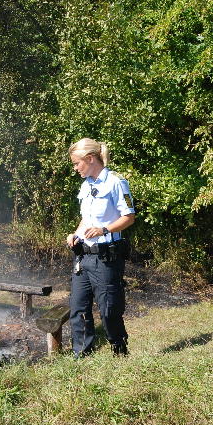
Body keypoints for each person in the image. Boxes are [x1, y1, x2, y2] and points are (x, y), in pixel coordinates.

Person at [66, 138, 136, 357]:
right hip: (84, 257)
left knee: (108, 310)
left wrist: (104, 230)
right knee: (78, 309)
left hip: (106, 258)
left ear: (90, 159)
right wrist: (75, 234)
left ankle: (119, 349)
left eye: (77, 163)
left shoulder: (115, 182)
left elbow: (129, 217)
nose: (75, 168)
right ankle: (81, 354)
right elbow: (86, 219)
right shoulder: (86, 184)